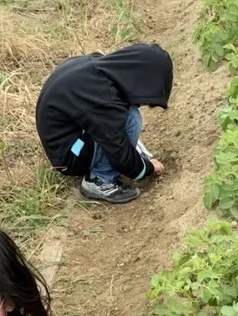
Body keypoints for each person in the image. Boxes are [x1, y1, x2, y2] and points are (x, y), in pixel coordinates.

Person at [36, 43, 173, 206]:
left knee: (120, 120)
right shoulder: (103, 98)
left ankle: (99, 166)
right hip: (69, 155)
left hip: (68, 139)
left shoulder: (100, 69)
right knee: (130, 119)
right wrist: (147, 168)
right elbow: (119, 151)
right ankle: (100, 180)